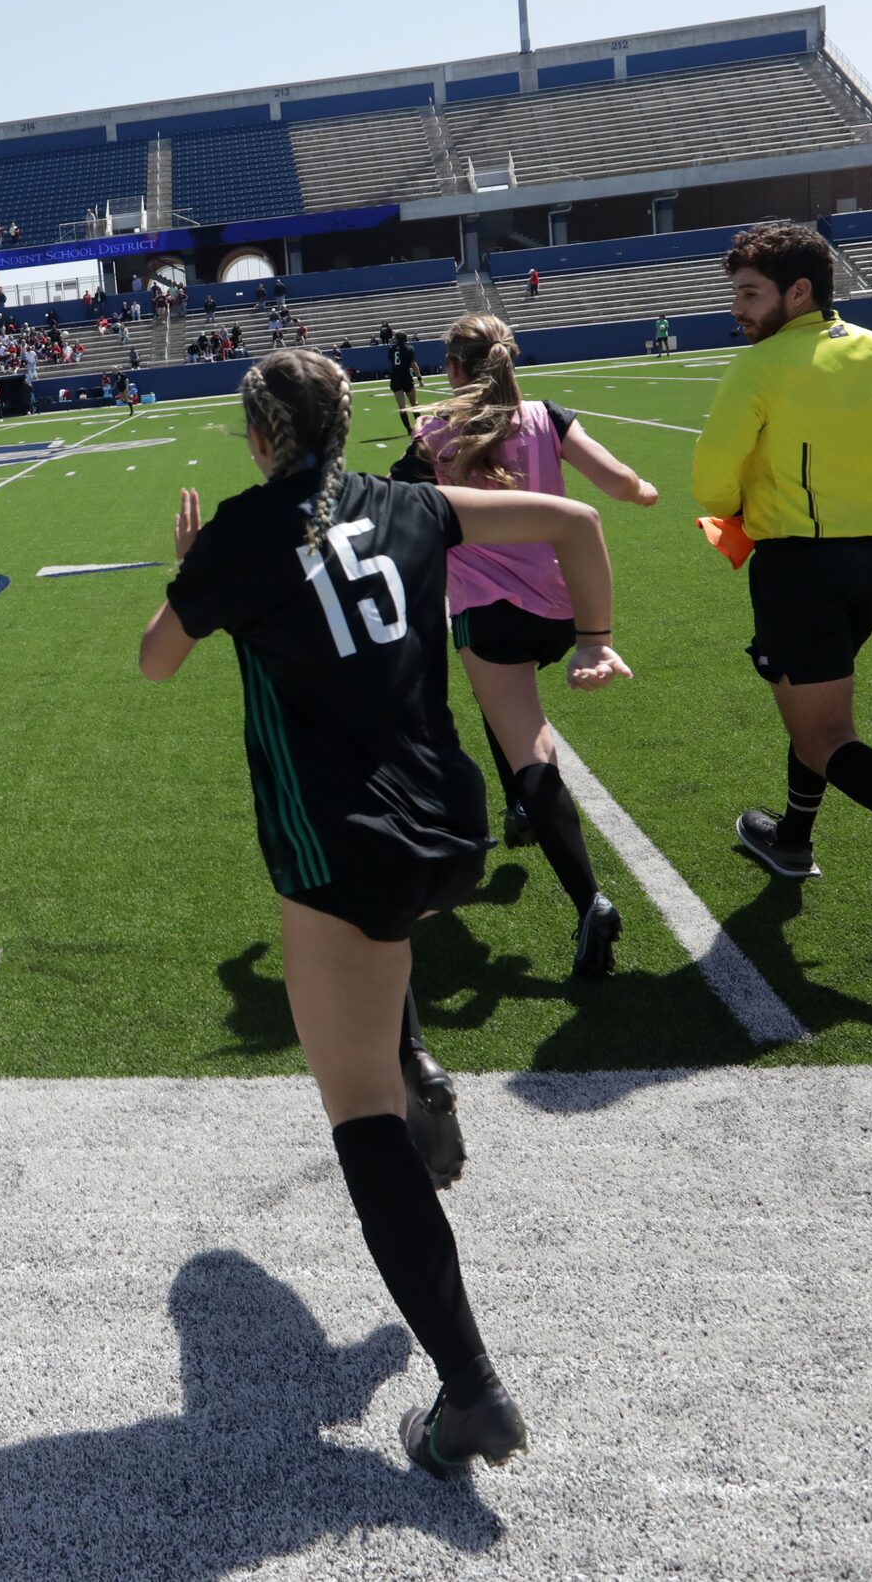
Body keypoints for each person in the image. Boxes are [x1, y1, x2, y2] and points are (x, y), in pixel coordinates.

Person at [138, 349, 630, 1475]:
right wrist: (595, 640)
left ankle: (470, 1389)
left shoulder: (243, 535)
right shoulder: (411, 500)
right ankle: (414, 1060)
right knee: (375, 964)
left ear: (258, 437)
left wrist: (193, 572)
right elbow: (569, 523)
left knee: (357, 1115)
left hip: (344, 843)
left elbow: (156, 663)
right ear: (348, 423)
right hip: (454, 825)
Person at [693, 225, 872, 957]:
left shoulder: (759, 366)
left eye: (750, 293)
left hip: (799, 568)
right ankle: (791, 839)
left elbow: (709, 483)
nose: (738, 307)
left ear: (800, 291)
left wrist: (744, 510)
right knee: (818, 708)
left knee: (827, 735)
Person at [420, 316, 658, 977]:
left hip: (487, 615)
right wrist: (641, 490)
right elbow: (615, 481)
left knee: (524, 738)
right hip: (564, 610)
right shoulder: (547, 416)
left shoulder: (435, 430)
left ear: (455, 369)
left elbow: (410, 504)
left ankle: (589, 900)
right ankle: (524, 804)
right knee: (513, 718)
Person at [387, 333, 421, 438]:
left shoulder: (391, 349)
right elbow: (413, 364)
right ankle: (419, 427)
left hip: (395, 378)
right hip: (406, 377)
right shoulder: (409, 348)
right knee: (414, 403)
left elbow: (392, 360)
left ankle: (409, 429)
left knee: (402, 407)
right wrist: (419, 377)